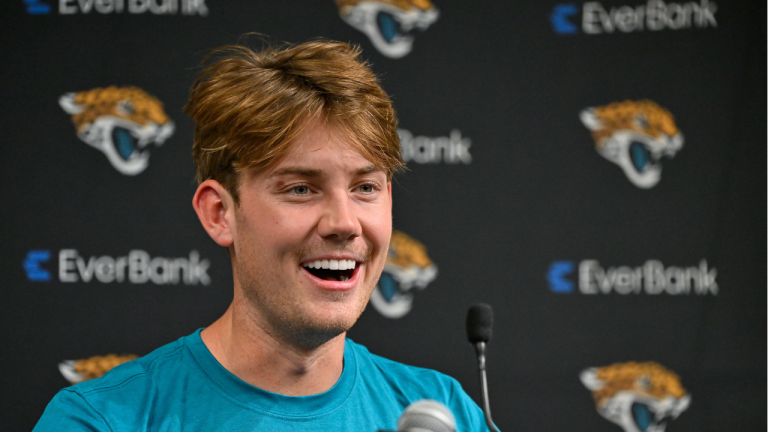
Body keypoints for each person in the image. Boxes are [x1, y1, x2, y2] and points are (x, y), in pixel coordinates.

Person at [34, 40, 494, 431]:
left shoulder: (442, 415)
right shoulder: (104, 421)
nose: (345, 223)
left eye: (365, 188)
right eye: (300, 188)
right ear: (220, 213)